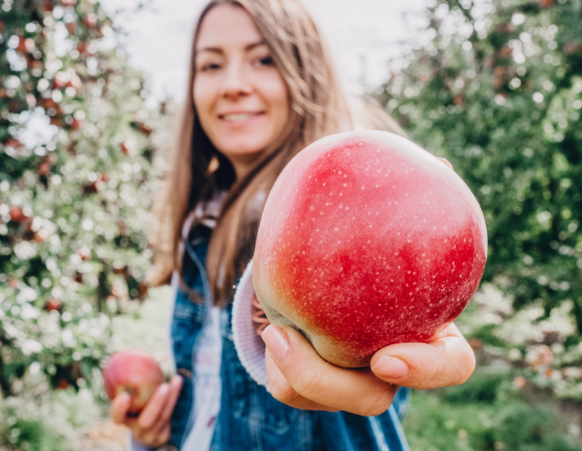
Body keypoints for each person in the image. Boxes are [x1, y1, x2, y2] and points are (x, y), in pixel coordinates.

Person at [110, 0, 476, 450]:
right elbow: (209, 398)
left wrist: (365, 310)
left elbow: (327, 319)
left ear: (307, 73)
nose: (233, 85)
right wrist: (154, 436)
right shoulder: (198, 224)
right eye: (210, 65)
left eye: (263, 59)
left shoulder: (349, 212)